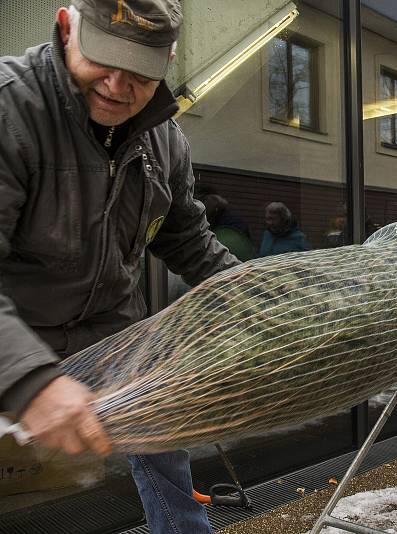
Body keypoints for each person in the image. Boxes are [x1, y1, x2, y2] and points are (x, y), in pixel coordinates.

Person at [0, 2, 239, 533]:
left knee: (165, 433)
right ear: (67, 29)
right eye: (103, 59)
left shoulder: (165, 140)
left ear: (168, 61)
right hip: (12, 335)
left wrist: (255, 297)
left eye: (139, 71)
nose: (115, 85)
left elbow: (189, 241)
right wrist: (29, 381)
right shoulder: (10, 110)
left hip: (110, 332)